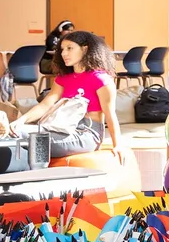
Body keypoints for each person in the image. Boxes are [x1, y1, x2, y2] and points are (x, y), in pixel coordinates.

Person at [10, 31, 127, 161]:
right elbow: (45, 104)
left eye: (70, 48)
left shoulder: (101, 79)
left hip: (86, 134)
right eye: (62, 49)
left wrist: (118, 145)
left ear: (85, 49)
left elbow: (110, 115)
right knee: (15, 131)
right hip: (59, 128)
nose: (64, 53)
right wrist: (21, 121)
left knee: (24, 136)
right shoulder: (63, 78)